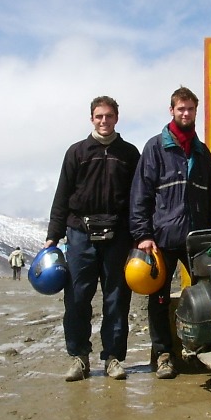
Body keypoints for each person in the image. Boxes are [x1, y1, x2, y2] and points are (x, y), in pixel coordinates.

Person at [129, 86, 211, 379]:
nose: (186, 113)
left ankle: (204, 350)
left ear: (196, 112)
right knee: (158, 299)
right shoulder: (155, 148)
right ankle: (164, 355)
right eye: (181, 109)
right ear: (171, 111)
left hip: (198, 241)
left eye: (190, 109)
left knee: (209, 296)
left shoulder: (202, 153)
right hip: (162, 240)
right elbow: (140, 196)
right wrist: (144, 234)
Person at [45, 96, 140, 381]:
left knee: (116, 299)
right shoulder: (77, 152)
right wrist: (53, 234)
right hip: (79, 234)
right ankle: (79, 358)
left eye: (109, 116)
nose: (104, 121)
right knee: (76, 298)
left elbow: (138, 198)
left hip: (118, 235)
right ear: (91, 119)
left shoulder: (129, 153)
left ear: (116, 119)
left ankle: (113, 359)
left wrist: (139, 234)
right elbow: (62, 194)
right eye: (99, 116)